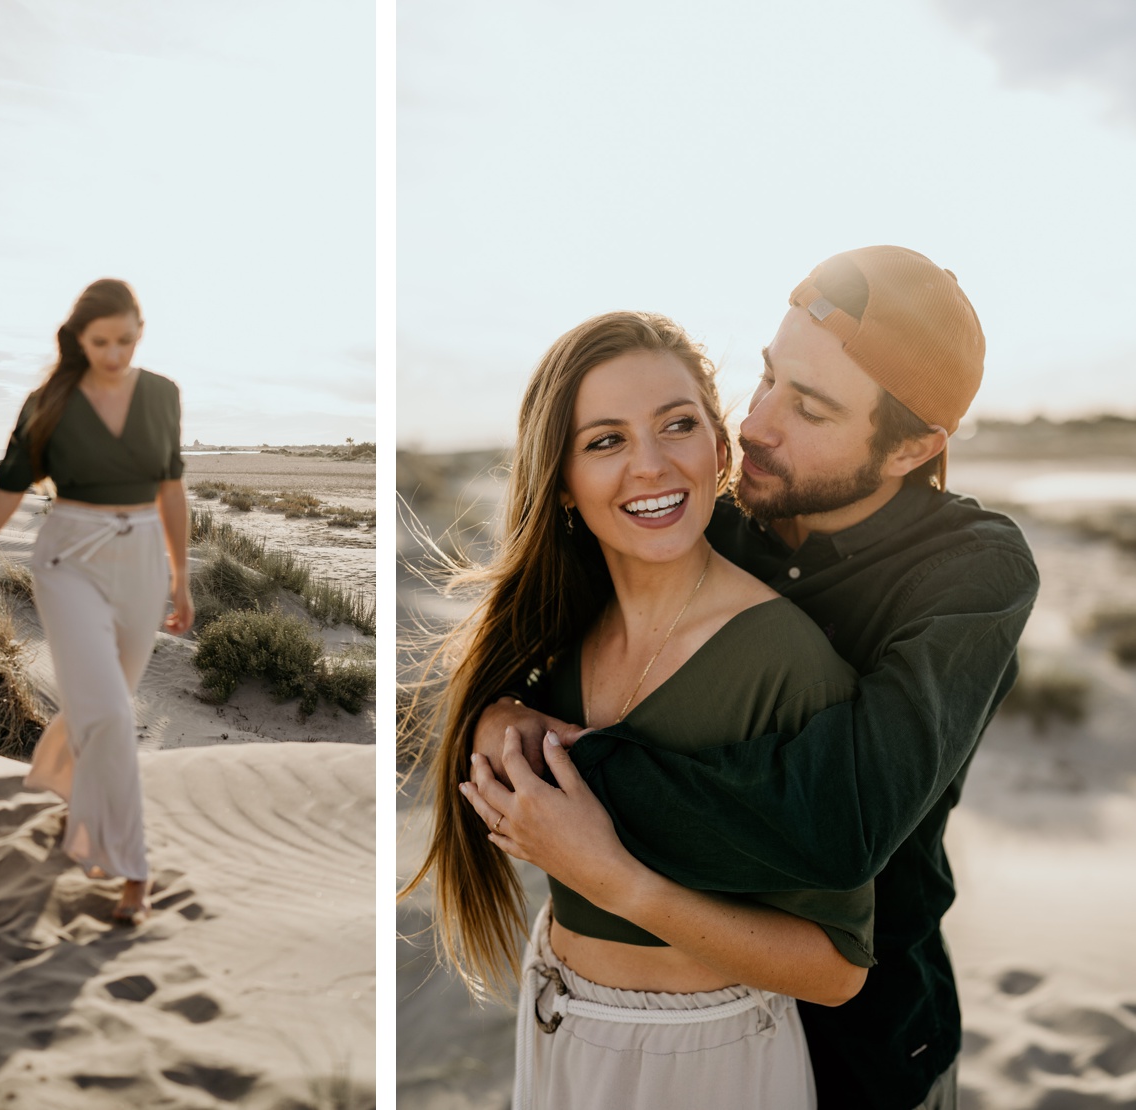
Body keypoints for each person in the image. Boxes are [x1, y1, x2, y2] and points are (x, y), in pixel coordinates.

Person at [470, 246, 1039, 1109]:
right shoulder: (716, 519)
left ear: (912, 448)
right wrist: (495, 720)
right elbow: (533, 652)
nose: (759, 425)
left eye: (808, 407)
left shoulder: (971, 572)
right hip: (660, 1014)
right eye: (769, 379)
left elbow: (844, 814)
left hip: (865, 1039)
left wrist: (575, 777)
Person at [405, 310, 880, 1109]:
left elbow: (835, 972)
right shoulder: (557, 638)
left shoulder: (787, 664)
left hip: (707, 1058)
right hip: (553, 1019)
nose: (651, 467)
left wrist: (621, 881)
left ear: (720, 451)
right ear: (560, 478)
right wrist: (494, 715)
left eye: (677, 426)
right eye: (606, 440)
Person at [0, 278, 193, 924]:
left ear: (139, 331)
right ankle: (130, 870)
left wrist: (182, 575)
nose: (114, 352)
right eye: (100, 342)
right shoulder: (51, 402)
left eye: (125, 339)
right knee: (113, 715)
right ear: (78, 339)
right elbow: (8, 488)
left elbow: (172, 489)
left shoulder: (162, 395)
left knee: (103, 703)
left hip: (144, 557)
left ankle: (70, 786)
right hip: (69, 558)